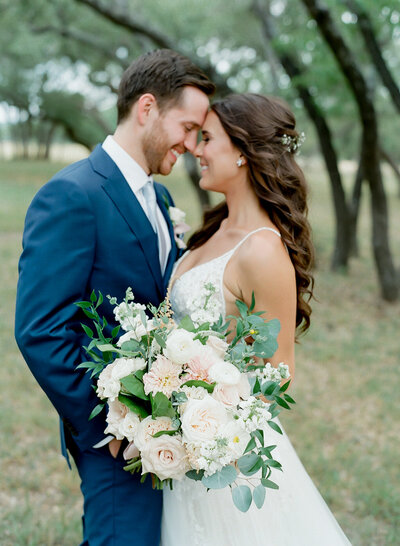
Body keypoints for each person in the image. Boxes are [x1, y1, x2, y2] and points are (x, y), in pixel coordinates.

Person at [15, 49, 215, 546]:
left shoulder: (161, 198)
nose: (191, 145)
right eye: (187, 127)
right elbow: (40, 329)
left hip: (168, 434)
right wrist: (111, 428)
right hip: (115, 442)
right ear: (147, 108)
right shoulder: (72, 195)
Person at [162, 93, 351, 545]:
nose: (197, 149)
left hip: (224, 457)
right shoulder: (212, 231)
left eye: (207, 139)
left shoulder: (262, 249)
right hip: (183, 444)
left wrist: (203, 418)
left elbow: (277, 376)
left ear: (243, 153)